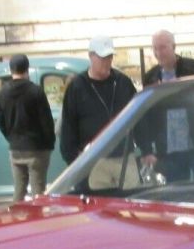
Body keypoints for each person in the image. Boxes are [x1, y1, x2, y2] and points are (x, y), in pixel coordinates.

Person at [58, 36, 137, 186]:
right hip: (93, 160)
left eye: (109, 57)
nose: (107, 61)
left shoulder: (123, 82)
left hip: (124, 157)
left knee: (131, 196)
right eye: (102, 57)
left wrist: (147, 149)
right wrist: (74, 159)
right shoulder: (77, 87)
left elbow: (137, 116)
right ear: (91, 56)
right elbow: (68, 126)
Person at [140, 29, 194, 180]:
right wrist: (146, 150)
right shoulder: (151, 78)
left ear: (174, 46)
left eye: (163, 47)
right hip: (168, 150)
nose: (159, 53)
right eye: (155, 48)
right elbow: (146, 115)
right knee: (175, 189)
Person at [0, 54, 55, 201]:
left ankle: (16, 215)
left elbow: (0, 122)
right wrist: (50, 143)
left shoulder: (1, 94)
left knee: (19, 190)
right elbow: (46, 122)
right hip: (37, 150)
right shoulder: (36, 92)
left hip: (15, 150)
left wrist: (12, 138)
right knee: (38, 192)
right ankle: (37, 216)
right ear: (27, 69)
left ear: (11, 70)